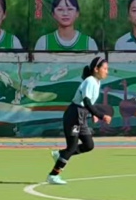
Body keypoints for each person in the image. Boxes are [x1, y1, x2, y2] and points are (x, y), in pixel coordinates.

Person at [46, 57, 112, 185]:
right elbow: (86, 102)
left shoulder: (96, 82)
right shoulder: (90, 81)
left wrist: (93, 114)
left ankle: (60, 154)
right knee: (71, 147)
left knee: (88, 145)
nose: (107, 71)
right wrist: (101, 115)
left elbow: (88, 103)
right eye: (105, 68)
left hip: (81, 116)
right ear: (96, 69)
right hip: (74, 116)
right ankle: (53, 175)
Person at [34, 0, 99, 52]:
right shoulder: (44, 42)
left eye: (70, 9)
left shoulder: (89, 43)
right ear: (53, 14)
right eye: (60, 9)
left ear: (77, 13)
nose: (65, 13)